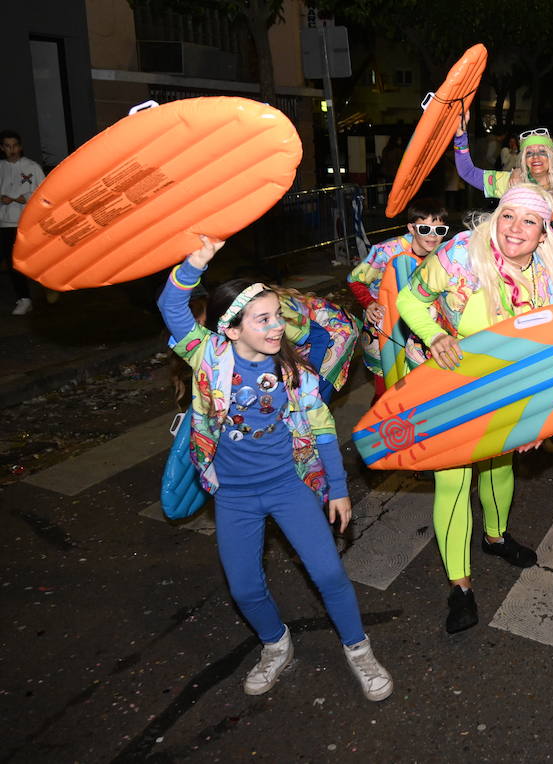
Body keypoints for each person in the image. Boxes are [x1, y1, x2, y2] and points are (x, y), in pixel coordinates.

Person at [157, 236, 393, 700]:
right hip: (233, 496)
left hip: (290, 486)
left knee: (328, 575)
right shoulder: (207, 357)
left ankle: (358, 648)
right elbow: (172, 305)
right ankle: (274, 644)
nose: (277, 328)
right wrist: (193, 264)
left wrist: (338, 489)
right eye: (263, 320)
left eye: (278, 318)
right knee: (244, 588)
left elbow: (323, 430)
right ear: (230, 328)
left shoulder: (296, 373)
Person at [396, 186, 553, 633]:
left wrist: (541, 418)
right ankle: (460, 587)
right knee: (453, 479)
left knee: (500, 466)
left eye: (529, 221)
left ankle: (495, 538)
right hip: (447, 381)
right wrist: (436, 335)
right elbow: (409, 299)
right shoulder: (462, 255)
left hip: (510, 388)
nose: (515, 229)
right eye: (508, 217)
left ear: (543, 233)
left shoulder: (552, 280)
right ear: (496, 217)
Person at [347, 200, 449, 399]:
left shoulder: (444, 254)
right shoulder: (387, 251)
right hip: (383, 326)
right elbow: (355, 280)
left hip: (419, 328)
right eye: (425, 228)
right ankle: (379, 426)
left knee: (417, 389)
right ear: (411, 228)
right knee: (386, 388)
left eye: (439, 230)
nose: (432, 236)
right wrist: (369, 303)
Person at [1, 129, 45, 315]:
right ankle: (24, 299)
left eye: (15, 145)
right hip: (5, 222)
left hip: (27, 221)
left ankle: (49, 286)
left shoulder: (32, 167)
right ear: (2, 148)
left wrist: (24, 197)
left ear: (20, 147)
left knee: (34, 259)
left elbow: (44, 192)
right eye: (8, 146)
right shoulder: (1, 167)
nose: (12, 150)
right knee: (13, 263)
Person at [453, 124, 553, 198]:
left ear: (552, 156)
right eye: (529, 153)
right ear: (523, 160)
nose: (535, 157)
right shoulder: (512, 183)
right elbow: (467, 172)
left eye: (542, 152)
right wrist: (460, 136)